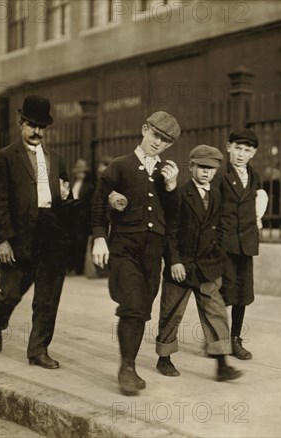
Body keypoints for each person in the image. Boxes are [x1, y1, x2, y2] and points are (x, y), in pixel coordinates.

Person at [91, 111, 180, 396]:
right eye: (155, 135)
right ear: (144, 130)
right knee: (131, 302)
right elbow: (96, 206)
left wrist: (172, 187)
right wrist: (99, 239)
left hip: (153, 251)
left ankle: (129, 365)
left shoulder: (167, 172)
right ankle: (127, 368)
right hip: (124, 247)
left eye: (165, 141)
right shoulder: (119, 166)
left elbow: (174, 217)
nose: (158, 143)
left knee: (142, 308)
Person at [0, 95, 73, 369]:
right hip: (19, 235)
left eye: (41, 127)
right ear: (20, 123)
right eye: (31, 125)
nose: (37, 132)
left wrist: (66, 198)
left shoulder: (56, 158)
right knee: (11, 292)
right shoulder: (3, 158)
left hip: (51, 233)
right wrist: (3, 240)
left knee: (47, 298)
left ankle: (38, 350)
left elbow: (64, 199)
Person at [156, 145, 242, 382]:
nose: (206, 173)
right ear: (191, 167)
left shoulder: (216, 195)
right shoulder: (180, 194)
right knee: (171, 312)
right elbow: (170, 231)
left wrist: (218, 259)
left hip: (208, 267)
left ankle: (222, 363)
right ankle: (164, 358)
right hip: (181, 267)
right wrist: (174, 261)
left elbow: (222, 229)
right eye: (202, 167)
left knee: (216, 313)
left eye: (211, 169)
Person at [215, 128, 268, 360]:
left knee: (242, 293)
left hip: (246, 243)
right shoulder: (219, 174)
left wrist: (257, 220)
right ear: (228, 147)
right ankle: (218, 339)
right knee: (223, 293)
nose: (240, 154)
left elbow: (256, 202)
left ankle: (235, 338)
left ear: (253, 153)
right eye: (237, 148)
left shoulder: (254, 175)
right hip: (225, 243)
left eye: (247, 150)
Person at [68, 158, 96, 275]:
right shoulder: (73, 183)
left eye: (82, 172)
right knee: (71, 243)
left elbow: (89, 204)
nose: (80, 174)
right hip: (72, 217)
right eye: (78, 172)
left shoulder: (89, 186)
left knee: (80, 244)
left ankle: (78, 269)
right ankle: (70, 267)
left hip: (83, 219)